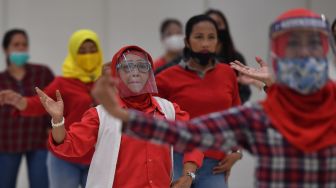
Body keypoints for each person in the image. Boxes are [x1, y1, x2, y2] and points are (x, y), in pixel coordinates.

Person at [92, 8, 336, 187]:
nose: (304, 52)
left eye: (313, 43)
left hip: (216, 166)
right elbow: (190, 133)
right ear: (278, 52)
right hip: (182, 160)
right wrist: (124, 115)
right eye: (293, 45)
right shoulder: (262, 117)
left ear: (326, 48)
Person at [35, 45, 189, 187]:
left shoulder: (169, 110)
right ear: (117, 75)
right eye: (127, 67)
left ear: (150, 72)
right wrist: (57, 120)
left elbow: (194, 139)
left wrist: (189, 174)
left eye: (142, 66)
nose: (135, 72)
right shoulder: (100, 115)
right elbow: (68, 146)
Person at [0, 29, 103, 188]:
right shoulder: (63, 83)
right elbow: (41, 103)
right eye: (82, 51)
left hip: (97, 154)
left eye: (92, 50)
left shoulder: (106, 81)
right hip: (65, 156)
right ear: (73, 53)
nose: (87, 55)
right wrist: (20, 102)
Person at [155, 15, 242, 188]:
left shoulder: (228, 73)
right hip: (177, 159)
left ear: (217, 42)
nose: (205, 43)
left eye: (211, 37)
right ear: (187, 41)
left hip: (214, 163)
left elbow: (236, 118)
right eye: (198, 37)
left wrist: (237, 153)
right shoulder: (166, 78)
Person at [0, 29, 54, 188]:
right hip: (6, 142)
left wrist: (52, 127)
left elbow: (53, 101)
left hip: (38, 139)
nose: (21, 48)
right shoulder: (1, 80)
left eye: (24, 45)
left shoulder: (42, 73)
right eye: (16, 45)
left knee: (41, 184)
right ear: (6, 49)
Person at [205, 9, 252, 102]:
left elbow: (245, 91)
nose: (215, 28)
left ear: (225, 27)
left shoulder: (236, 58)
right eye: (211, 24)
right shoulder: (195, 58)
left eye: (218, 24)